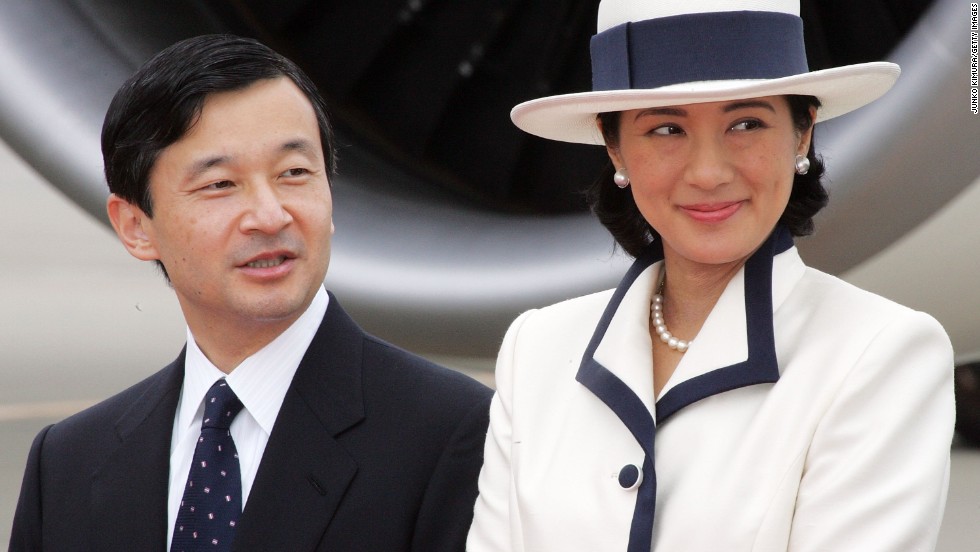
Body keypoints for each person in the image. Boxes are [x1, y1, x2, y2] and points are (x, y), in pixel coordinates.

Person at [467, 1, 955, 551]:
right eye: (667, 128)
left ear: (802, 134)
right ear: (614, 148)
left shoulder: (884, 354)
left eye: (746, 123)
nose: (708, 173)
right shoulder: (535, 349)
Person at [9, 34, 492, 552]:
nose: (270, 215)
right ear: (135, 226)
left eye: (294, 174)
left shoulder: (456, 433)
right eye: (220, 185)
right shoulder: (67, 462)